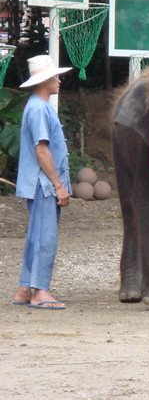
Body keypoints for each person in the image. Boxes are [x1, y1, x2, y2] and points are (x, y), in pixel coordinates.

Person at [11, 55, 72, 310]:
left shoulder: (39, 106)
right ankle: (39, 291)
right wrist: (58, 185)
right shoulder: (38, 108)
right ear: (45, 79)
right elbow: (42, 150)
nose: (59, 80)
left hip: (40, 182)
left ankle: (25, 289)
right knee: (45, 237)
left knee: (37, 235)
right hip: (43, 184)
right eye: (56, 76)